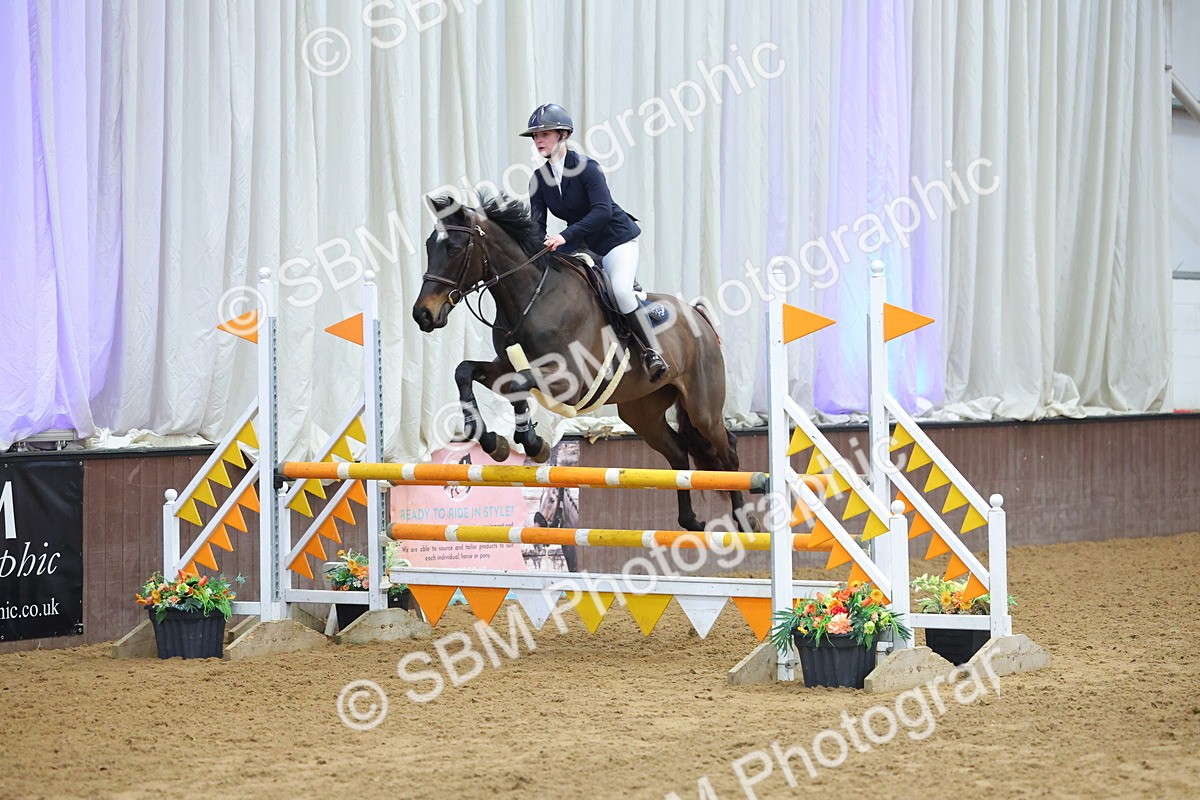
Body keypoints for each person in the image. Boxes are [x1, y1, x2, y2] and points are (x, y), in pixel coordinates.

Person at [521, 103, 668, 382]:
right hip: (579, 243)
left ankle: (651, 352)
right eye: (535, 137)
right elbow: (536, 226)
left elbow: (602, 211)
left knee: (621, 291)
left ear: (563, 135)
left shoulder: (587, 168)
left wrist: (564, 236)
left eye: (545, 135)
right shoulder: (538, 179)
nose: (538, 141)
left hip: (614, 241)